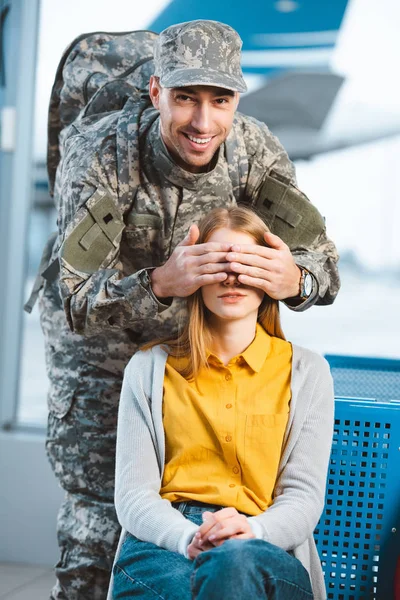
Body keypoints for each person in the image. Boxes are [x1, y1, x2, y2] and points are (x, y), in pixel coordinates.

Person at [39, 19, 340, 600]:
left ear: (236, 101)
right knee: (99, 529)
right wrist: (159, 282)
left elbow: (322, 263)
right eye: (185, 99)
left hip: (203, 350)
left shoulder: (253, 150)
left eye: (219, 100)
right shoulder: (100, 154)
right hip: (104, 354)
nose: (204, 123)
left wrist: (294, 277)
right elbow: (76, 298)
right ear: (157, 93)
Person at [110, 206, 334, 600]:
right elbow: (134, 496)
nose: (232, 277)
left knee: (233, 565)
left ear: (270, 276)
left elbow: (302, 498)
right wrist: (188, 538)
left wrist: (253, 532)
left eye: (248, 264)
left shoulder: (308, 372)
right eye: (218, 263)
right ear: (195, 276)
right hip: (166, 542)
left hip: (264, 542)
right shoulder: (148, 369)